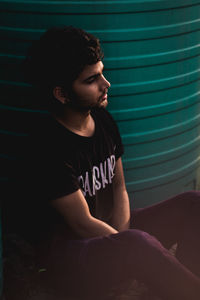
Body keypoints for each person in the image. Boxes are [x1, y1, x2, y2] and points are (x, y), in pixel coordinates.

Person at [8, 26, 200, 300]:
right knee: (138, 244)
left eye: (102, 72)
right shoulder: (45, 146)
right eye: (92, 79)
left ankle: (181, 280)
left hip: (111, 238)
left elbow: (120, 188)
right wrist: (129, 245)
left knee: (194, 203)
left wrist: (124, 240)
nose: (106, 84)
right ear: (62, 94)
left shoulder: (104, 121)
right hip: (72, 261)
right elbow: (82, 224)